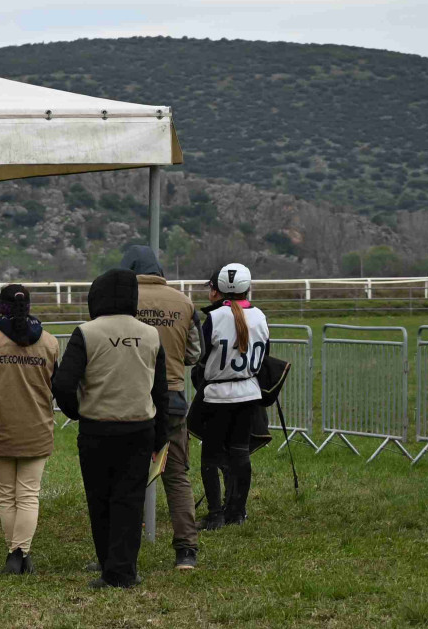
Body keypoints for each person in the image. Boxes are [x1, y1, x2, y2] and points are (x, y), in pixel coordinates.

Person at [53, 268, 170, 590]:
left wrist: (77, 412)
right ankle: (124, 570)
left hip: (97, 430)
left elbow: (63, 383)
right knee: (130, 501)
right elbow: (161, 391)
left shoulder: (87, 332)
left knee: (100, 499)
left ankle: (108, 565)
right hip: (139, 428)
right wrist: (162, 436)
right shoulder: (150, 334)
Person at [0, 284, 62, 574]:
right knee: (29, 494)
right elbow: (55, 386)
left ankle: (14, 554)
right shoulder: (50, 343)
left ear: (0, 306)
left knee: (6, 495)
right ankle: (21, 554)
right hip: (36, 429)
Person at [123, 244, 200, 569]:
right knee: (177, 475)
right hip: (173, 400)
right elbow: (194, 354)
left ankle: (124, 549)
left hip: (132, 398)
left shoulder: (124, 299)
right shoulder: (184, 302)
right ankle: (186, 550)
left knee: (128, 476)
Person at [190, 262, 271, 530]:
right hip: (249, 392)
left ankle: (216, 515)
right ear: (248, 287)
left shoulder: (214, 318)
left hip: (217, 395)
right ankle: (237, 511)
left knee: (211, 457)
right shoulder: (260, 316)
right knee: (240, 452)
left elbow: (201, 355)